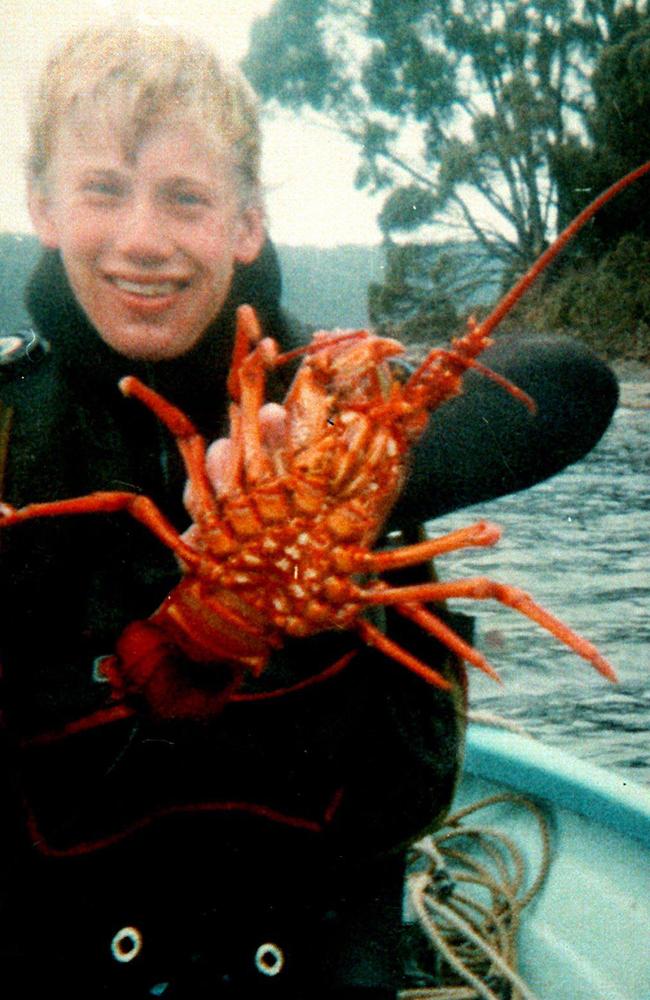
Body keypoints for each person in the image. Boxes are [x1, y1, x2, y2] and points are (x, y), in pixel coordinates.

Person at [0, 20, 618, 1000]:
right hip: (58, 933)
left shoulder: (323, 387)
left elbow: (571, 386)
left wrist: (347, 498)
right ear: (43, 205)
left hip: (314, 934)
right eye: (104, 190)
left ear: (247, 222)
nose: (143, 238)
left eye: (186, 198)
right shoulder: (9, 429)